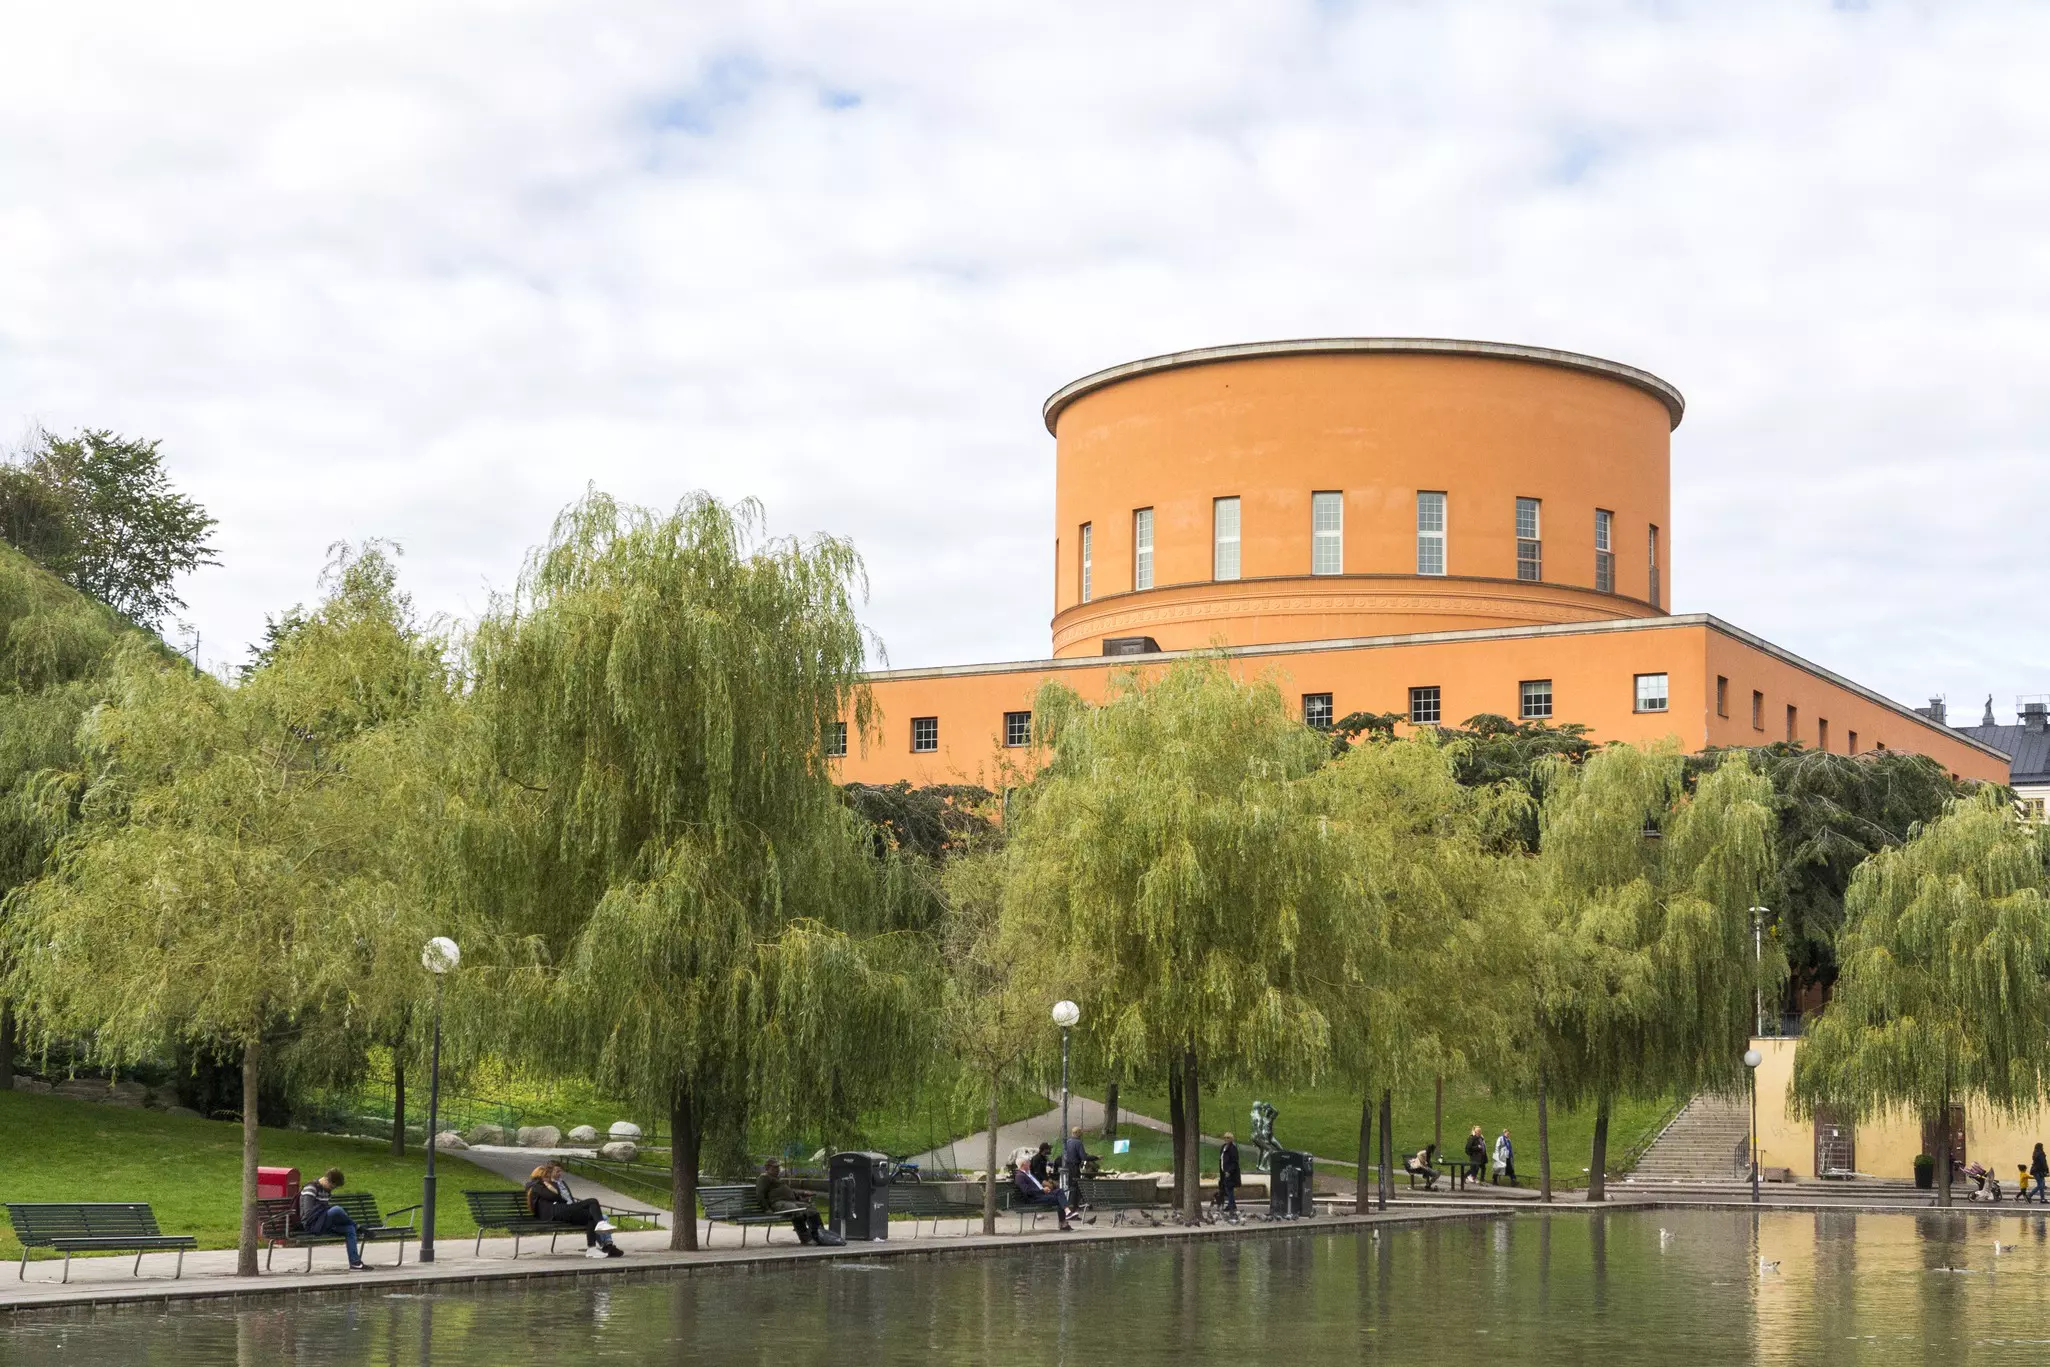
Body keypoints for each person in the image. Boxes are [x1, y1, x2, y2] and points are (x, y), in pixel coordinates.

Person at [525, 1163, 622, 1259]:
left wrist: (550, 1187)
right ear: (539, 1176)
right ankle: (601, 1224)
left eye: (548, 1176)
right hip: (553, 1212)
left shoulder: (542, 1186)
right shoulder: (535, 1186)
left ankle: (592, 1249)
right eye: (546, 1176)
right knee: (592, 1201)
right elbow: (554, 1196)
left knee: (591, 1216)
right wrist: (549, 1186)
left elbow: (559, 1198)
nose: (548, 1178)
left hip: (560, 1210)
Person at [298, 1168, 369, 1271]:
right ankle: (357, 1226)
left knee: (349, 1229)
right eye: (332, 1186)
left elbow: (325, 1210)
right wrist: (327, 1211)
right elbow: (308, 1214)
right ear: (326, 1179)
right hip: (312, 1224)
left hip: (324, 1224)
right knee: (336, 1210)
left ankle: (355, 1263)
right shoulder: (311, 1188)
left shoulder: (326, 1191)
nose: (332, 1189)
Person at [757, 1159, 838, 1246]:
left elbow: (789, 1192)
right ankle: (805, 1239)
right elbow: (760, 1194)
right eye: (775, 1167)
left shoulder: (777, 1179)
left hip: (789, 1201)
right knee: (795, 1210)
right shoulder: (764, 1178)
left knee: (811, 1209)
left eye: (778, 1167)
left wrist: (802, 1194)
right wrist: (767, 1209)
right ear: (767, 1167)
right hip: (778, 1203)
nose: (778, 1169)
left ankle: (819, 1235)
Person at [1011, 1157, 1074, 1231]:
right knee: (1059, 1199)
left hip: (1040, 1194)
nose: (1030, 1164)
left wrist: (1044, 1190)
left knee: (1059, 1191)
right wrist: (1042, 1191)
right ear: (1023, 1165)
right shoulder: (1020, 1176)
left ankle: (1067, 1212)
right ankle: (1063, 1223)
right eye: (1028, 1163)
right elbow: (1027, 1191)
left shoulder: (1028, 1174)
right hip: (1034, 1198)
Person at [1061, 1126, 1097, 1214]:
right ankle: (1073, 1207)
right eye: (1080, 1133)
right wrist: (1095, 1157)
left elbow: (1066, 1154)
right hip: (1074, 1167)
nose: (1081, 1134)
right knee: (1075, 1186)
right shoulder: (1078, 1143)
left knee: (1070, 1186)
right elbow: (1083, 1157)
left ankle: (1072, 1205)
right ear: (1077, 1133)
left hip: (1067, 1166)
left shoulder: (1068, 1142)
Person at [1215, 1131, 1241, 1216]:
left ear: (1231, 1139)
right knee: (1227, 1189)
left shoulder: (1233, 1148)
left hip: (1229, 1173)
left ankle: (1232, 1206)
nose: (1226, 1139)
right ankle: (1231, 1205)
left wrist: (1229, 1171)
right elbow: (1222, 1159)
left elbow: (1234, 1162)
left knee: (1229, 1189)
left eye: (1228, 1138)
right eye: (1225, 1138)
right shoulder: (1223, 1147)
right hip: (1223, 1172)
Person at [1463, 1126, 1488, 1190]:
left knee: (1483, 1168)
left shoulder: (1481, 1138)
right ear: (1475, 1132)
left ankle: (1482, 1180)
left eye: (1480, 1131)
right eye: (1478, 1131)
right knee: (1473, 1169)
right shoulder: (1472, 1138)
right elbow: (1468, 1148)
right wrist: (1477, 1147)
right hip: (1475, 1157)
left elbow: (1483, 1146)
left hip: (1482, 1156)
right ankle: (1464, 1177)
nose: (1480, 1132)